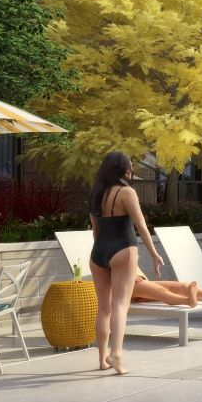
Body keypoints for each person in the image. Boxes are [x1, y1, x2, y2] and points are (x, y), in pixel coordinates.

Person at [87, 152, 163, 375]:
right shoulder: (127, 192)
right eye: (130, 167)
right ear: (124, 170)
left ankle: (102, 359)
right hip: (123, 249)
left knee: (104, 307)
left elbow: (96, 230)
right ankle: (117, 355)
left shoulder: (96, 194)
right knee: (121, 304)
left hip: (98, 251)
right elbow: (141, 226)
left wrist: (102, 252)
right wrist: (154, 254)